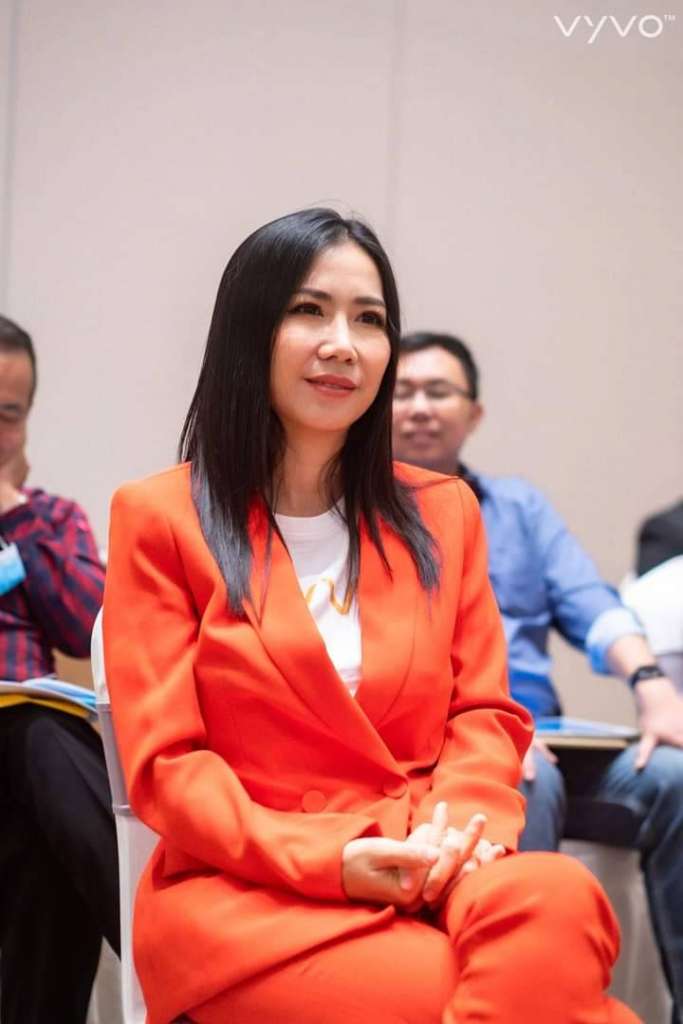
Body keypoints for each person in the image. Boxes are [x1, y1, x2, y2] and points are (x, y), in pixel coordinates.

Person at [103, 209, 639, 1024]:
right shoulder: (159, 517)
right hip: (251, 895)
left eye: (368, 319)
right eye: (308, 310)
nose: (343, 344)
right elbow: (169, 768)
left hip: (434, 860)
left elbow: (482, 715)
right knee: (556, 1000)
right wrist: (335, 859)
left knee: (559, 892)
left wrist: (452, 837)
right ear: (248, 329)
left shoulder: (443, 511)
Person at [392, 329, 683, 1020]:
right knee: (524, 780)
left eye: (438, 391)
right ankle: (525, 1002)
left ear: (474, 413)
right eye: (402, 392)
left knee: (676, 777)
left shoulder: (518, 510)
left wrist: (653, 687)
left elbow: (590, 603)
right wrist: (488, 734)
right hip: (451, 746)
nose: (420, 407)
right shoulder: (365, 514)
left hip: (550, 734)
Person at [0, 316, 120, 1024]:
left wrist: (13, 515)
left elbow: (88, 626)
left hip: (22, 743)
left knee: (46, 740)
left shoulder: (51, 518)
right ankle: (170, 959)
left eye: (7, 415)